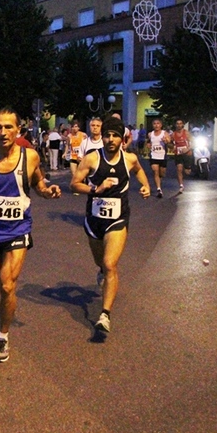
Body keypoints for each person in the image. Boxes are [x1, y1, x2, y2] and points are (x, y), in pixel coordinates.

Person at [0, 107, 61, 362]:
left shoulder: (31, 157)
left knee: (7, 285)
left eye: (9, 127)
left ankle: (3, 336)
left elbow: (39, 184)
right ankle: (4, 312)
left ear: (18, 130)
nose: (3, 132)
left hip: (19, 230)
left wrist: (48, 191)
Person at [70, 117, 150, 334]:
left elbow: (140, 171)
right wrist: (96, 188)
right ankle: (101, 271)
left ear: (122, 138)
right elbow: (74, 184)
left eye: (115, 135)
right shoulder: (91, 159)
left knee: (110, 263)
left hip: (118, 219)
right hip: (94, 220)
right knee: (101, 263)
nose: (111, 139)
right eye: (107, 135)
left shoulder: (130, 159)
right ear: (102, 137)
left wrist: (145, 186)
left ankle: (105, 314)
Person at [147, 118, 170, 198]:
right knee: (155, 171)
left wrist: (166, 141)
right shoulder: (150, 134)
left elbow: (169, 143)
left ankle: (159, 182)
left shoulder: (164, 133)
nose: (156, 125)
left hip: (162, 156)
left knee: (162, 173)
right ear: (152, 125)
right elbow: (149, 142)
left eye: (158, 123)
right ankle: (159, 189)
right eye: (154, 124)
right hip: (154, 155)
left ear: (161, 125)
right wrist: (148, 145)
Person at [171, 118, 193, 193]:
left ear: (183, 125)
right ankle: (181, 185)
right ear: (175, 125)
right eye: (177, 123)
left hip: (187, 154)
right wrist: (172, 147)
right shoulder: (173, 134)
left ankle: (187, 168)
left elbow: (193, 143)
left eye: (180, 123)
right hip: (178, 154)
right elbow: (170, 144)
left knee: (187, 172)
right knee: (179, 169)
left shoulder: (186, 133)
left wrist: (187, 149)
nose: (179, 125)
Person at [67, 121, 85, 192]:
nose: (74, 128)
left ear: (79, 128)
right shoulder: (69, 136)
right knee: (74, 174)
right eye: (73, 127)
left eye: (76, 127)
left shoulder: (83, 135)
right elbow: (68, 146)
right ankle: (75, 189)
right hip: (73, 156)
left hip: (81, 157)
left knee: (81, 174)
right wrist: (65, 153)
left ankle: (81, 185)